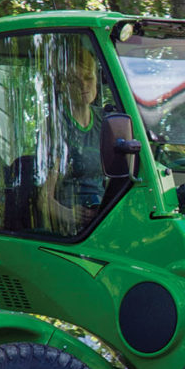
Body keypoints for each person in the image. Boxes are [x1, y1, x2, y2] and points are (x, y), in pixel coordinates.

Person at [36, 45, 106, 234]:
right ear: (61, 84)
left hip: (105, 215)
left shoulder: (107, 122)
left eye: (88, 78)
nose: (84, 86)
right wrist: (70, 215)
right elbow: (44, 200)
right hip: (72, 230)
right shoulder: (56, 127)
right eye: (74, 81)